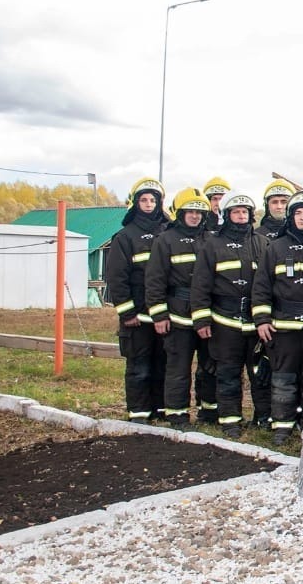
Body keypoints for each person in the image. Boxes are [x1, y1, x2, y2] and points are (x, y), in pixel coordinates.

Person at [191, 191, 269, 438]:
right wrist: (202, 319)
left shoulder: (262, 242)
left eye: (245, 212)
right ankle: (231, 420)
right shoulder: (212, 245)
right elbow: (201, 285)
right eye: (236, 212)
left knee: (259, 373)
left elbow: (268, 282)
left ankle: (262, 418)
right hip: (224, 320)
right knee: (228, 373)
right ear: (227, 215)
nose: (241, 216)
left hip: (255, 321)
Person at [253, 192, 303, 446]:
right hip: (282, 327)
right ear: (290, 217)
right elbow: (261, 286)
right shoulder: (275, 247)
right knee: (283, 377)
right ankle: (281, 426)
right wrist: (262, 319)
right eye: (298, 213)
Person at [145, 188, 215, 426]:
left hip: (207, 316)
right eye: (190, 211)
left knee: (209, 367)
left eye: (199, 212)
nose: (195, 216)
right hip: (177, 316)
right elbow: (154, 280)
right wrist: (159, 314)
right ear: (180, 213)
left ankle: (209, 412)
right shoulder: (166, 240)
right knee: (178, 368)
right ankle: (177, 413)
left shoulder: (211, 239)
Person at [107, 177, 170, 423]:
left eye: (152, 200)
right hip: (138, 316)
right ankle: (139, 412)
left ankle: (161, 408)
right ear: (135, 203)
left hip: (164, 315)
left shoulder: (168, 233)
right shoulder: (125, 237)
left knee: (163, 364)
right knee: (139, 366)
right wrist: (127, 313)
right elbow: (116, 278)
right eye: (143, 199)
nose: (148, 204)